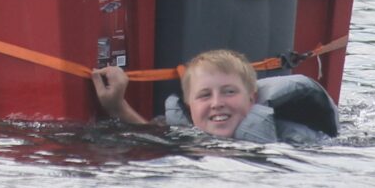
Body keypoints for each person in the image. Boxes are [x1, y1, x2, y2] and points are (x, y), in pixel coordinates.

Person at [92, 49, 338, 144]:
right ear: (189, 106)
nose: (217, 102)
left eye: (229, 92)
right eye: (204, 95)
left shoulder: (292, 139)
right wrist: (118, 107)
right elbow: (148, 133)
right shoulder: (182, 132)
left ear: (251, 99)